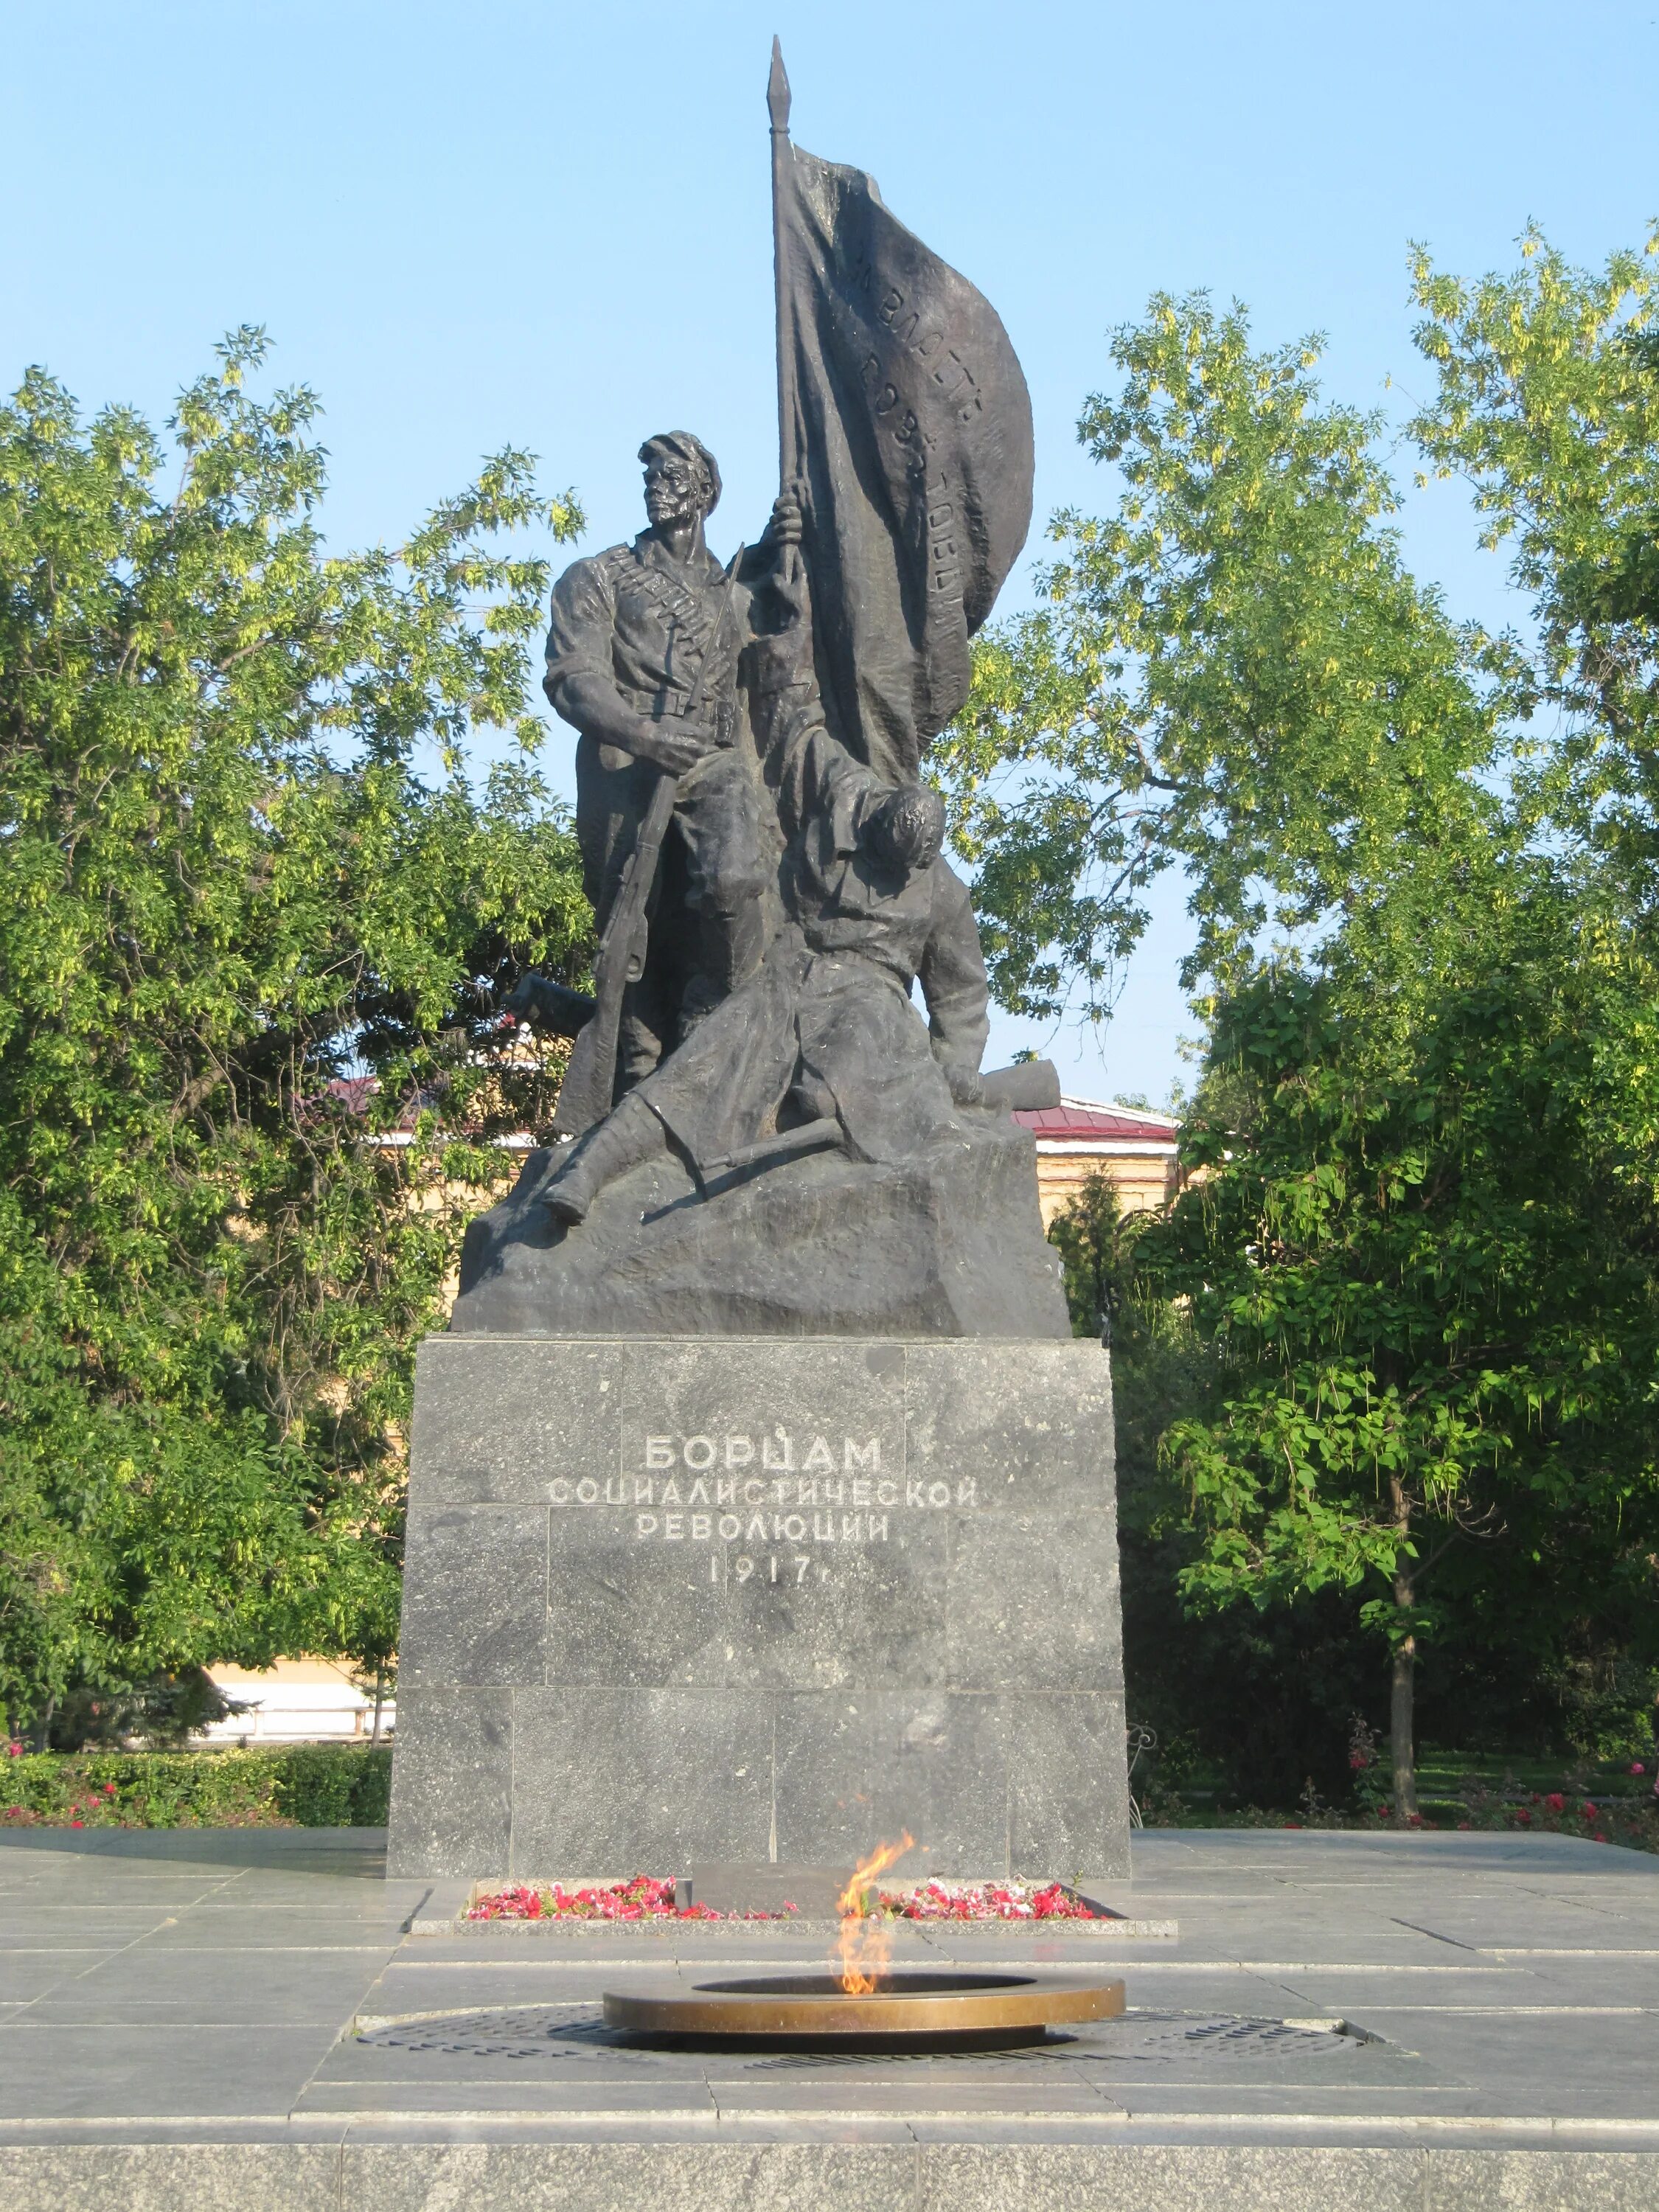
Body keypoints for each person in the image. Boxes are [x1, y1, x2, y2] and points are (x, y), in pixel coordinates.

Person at [532, 632, 998, 1226]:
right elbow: (799, 735)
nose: (893, 877)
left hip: (870, 1006)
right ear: (878, 818)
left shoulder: (943, 891)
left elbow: (961, 994)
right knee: (701, 1065)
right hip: (786, 973)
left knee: (863, 1099)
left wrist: (956, 1066)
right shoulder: (847, 794)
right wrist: (782, 647)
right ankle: (591, 1169)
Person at [541, 433, 798, 1083]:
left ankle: (720, 1019)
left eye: (673, 473)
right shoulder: (597, 577)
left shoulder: (733, 593)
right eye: (651, 474)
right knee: (633, 934)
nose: (658, 483)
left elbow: (783, 620)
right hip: (625, 772)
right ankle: (638, 1076)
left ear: (705, 491)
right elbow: (575, 677)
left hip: (713, 767)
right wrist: (640, 732)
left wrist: (788, 541)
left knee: (738, 876)